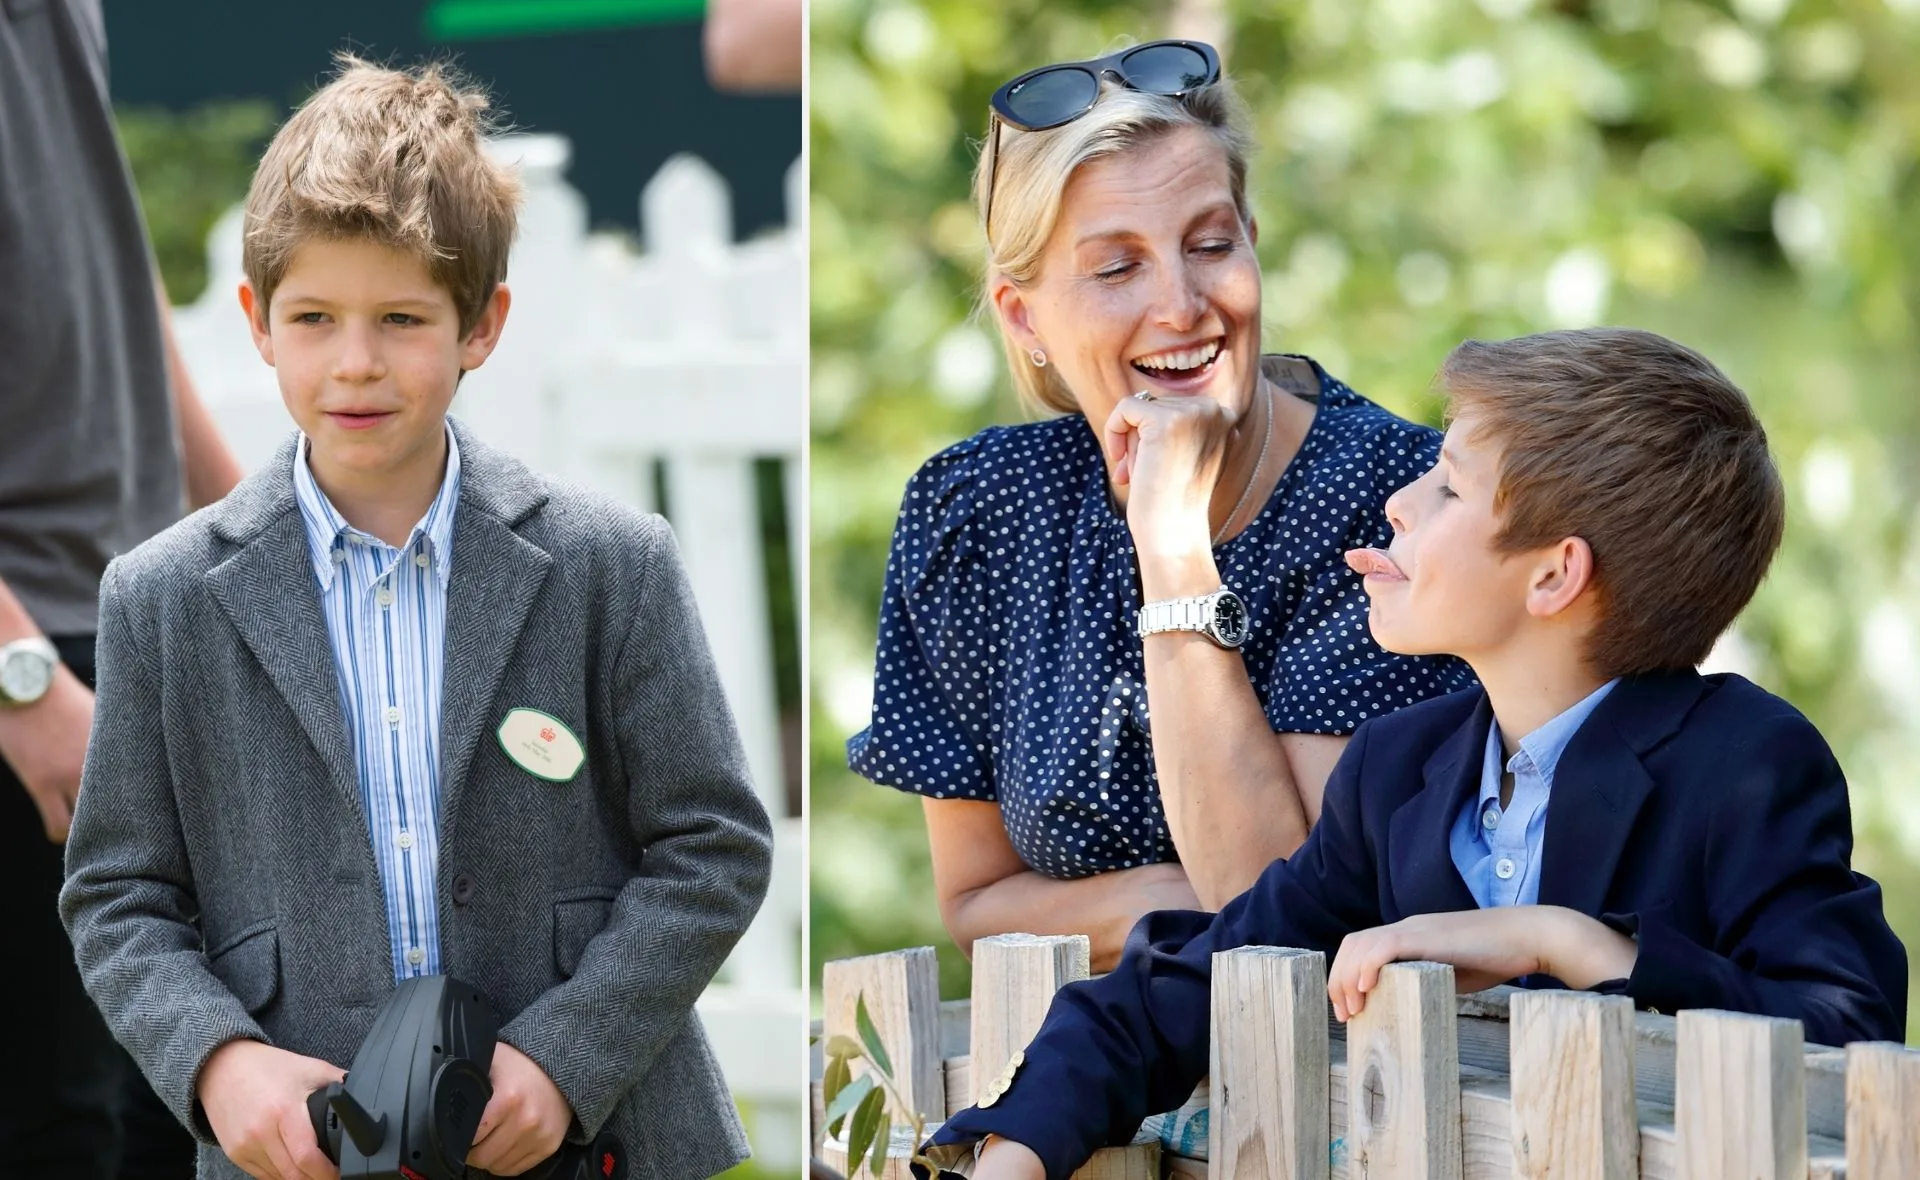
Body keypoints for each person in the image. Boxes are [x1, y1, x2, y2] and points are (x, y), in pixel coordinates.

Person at [926, 327, 1910, 1180]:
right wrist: (1017, 1149)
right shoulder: (1400, 769)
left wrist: (1567, 943)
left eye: (1447, 485)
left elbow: (1851, 1036)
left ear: (1557, 574)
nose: (1398, 501)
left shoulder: (1745, 762)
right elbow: (1193, 983)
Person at [59, 58, 773, 1180]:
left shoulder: (609, 565)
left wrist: (567, 1058)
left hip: (585, 1144)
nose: (355, 361)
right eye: (315, 317)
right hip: (300, 1154)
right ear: (257, 322)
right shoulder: (162, 600)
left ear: (480, 324)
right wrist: (220, 1063)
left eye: (400, 317)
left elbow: (714, 845)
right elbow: (116, 894)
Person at [846, 41, 1471, 971]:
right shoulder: (972, 507)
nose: (1181, 306)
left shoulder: (1406, 505)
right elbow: (975, 904)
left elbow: (1281, 916)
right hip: (1086, 1078)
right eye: (1116, 269)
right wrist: (1169, 898)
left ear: (1253, 240)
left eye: (1211, 245)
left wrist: (1173, 547)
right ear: (1024, 317)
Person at [0, 2, 242, 1176]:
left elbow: (110, 248)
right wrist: (20, 679)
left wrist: (256, 529)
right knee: (63, 1131)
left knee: (173, 1116)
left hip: (131, 620)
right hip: (25, 651)